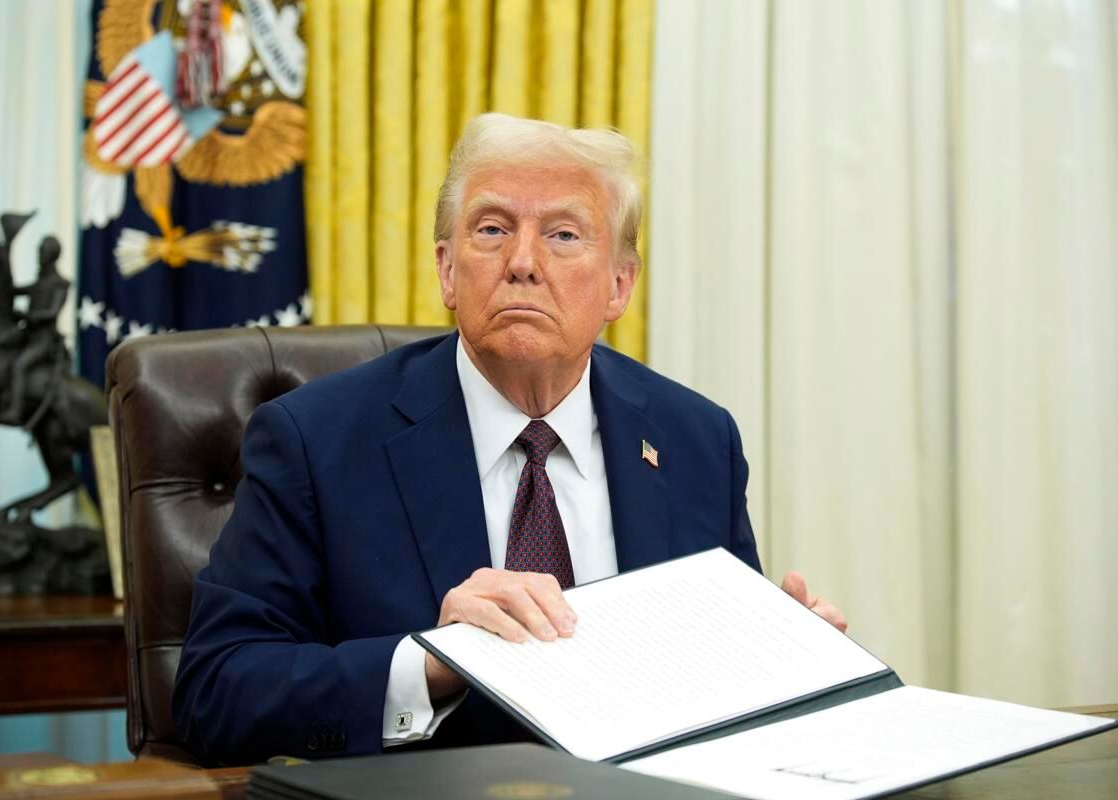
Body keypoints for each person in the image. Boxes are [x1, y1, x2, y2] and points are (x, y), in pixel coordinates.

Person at [172, 113, 847, 764]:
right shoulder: (316, 441)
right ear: (446, 270)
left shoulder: (697, 440)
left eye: (562, 235)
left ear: (619, 284)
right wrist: (429, 662)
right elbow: (215, 690)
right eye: (492, 229)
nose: (522, 261)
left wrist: (784, 662)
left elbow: (714, 691)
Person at [0, 236, 70, 426]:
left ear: (52, 255)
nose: (39, 255)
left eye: (43, 251)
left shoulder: (60, 283)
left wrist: (28, 316)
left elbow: (52, 312)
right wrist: (5, 257)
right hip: (27, 333)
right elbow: (11, 290)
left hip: (43, 339)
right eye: (39, 250)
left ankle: (14, 411)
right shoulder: (39, 282)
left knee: (19, 365)